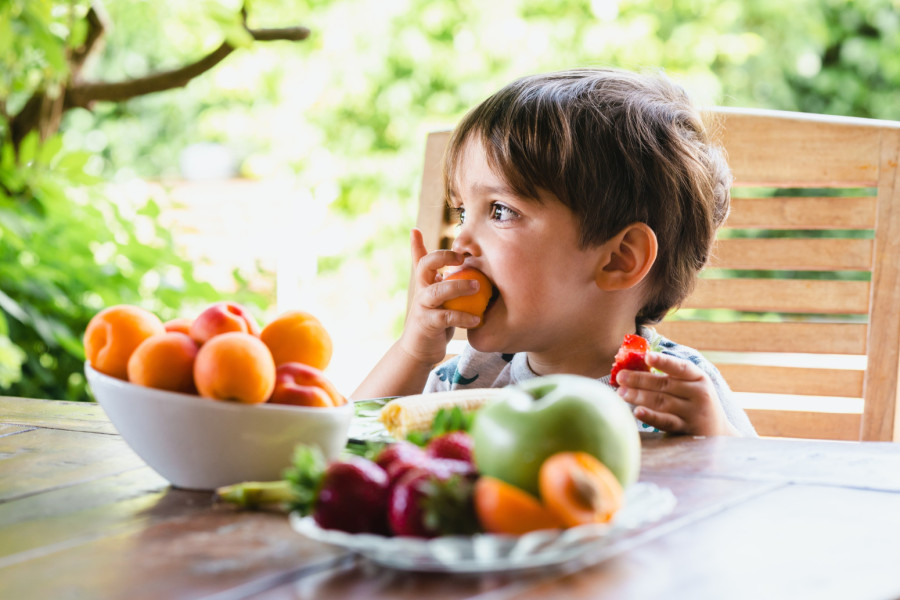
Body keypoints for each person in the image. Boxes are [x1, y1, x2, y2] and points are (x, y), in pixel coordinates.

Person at [353, 67, 756, 437]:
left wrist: (716, 438)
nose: (460, 243)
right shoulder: (468, 377)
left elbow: (765, 498)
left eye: (500, 211)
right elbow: (346, 443)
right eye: (461, 213)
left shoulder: (677, 391)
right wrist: (412, 353)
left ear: (619, 259)